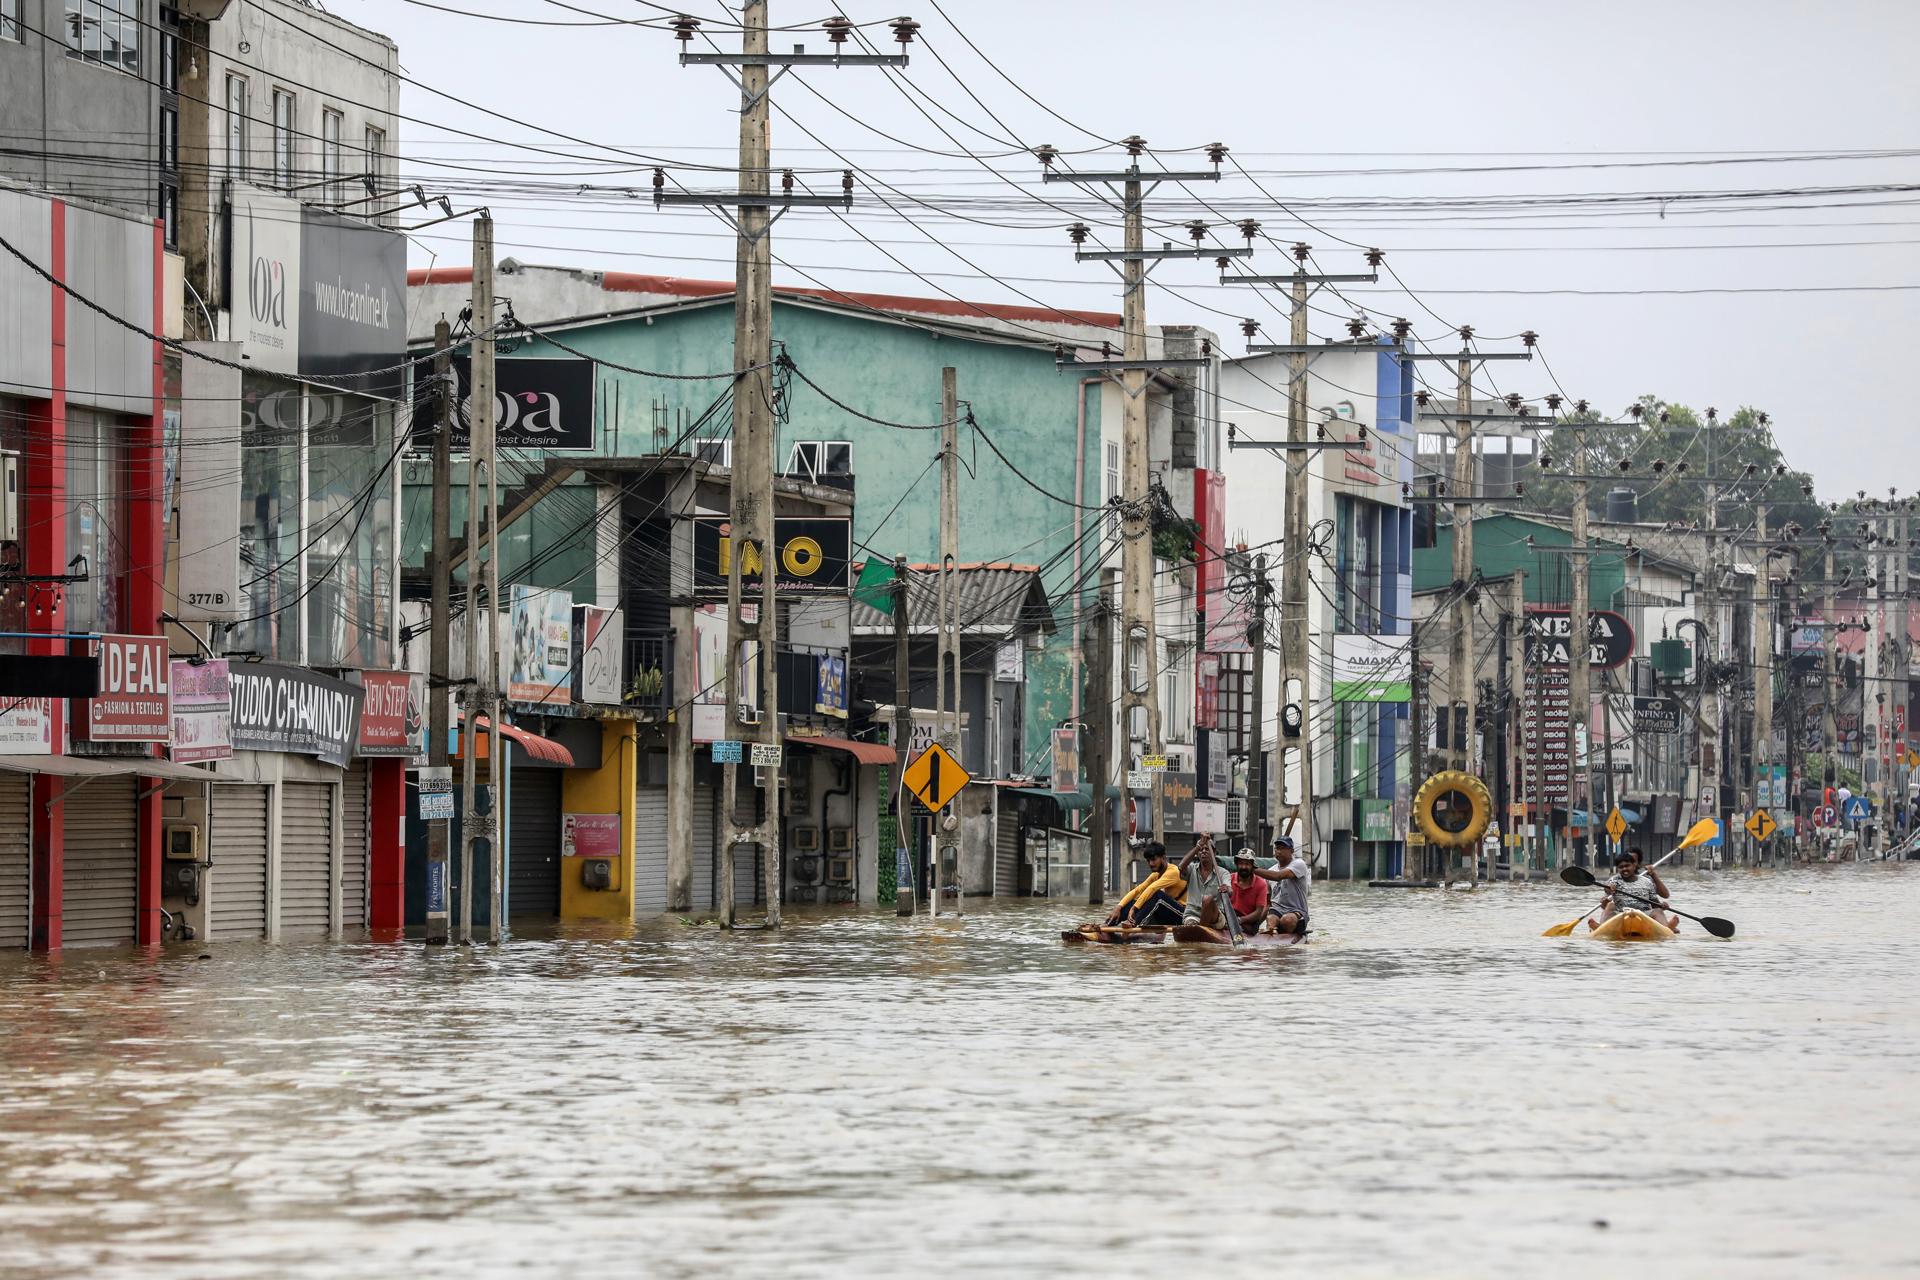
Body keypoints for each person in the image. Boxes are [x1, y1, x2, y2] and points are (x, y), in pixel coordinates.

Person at [1590, 847, 1679, 931]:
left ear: (1635, 865)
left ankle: (1666, 928)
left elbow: (1655, 902)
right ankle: (1601, 928)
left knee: (1658, 911)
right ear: (1618, 868)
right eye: (1621, 867)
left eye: (1627, 865)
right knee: (1610, 905)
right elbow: (1608, 889)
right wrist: (1609, 891)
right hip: (1621, 914)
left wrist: (1662, 906)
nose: (1624, 869)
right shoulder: (1614, 880)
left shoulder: (1647, 881)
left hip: (1644, 915)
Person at [1104, 841, 1186, 928]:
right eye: (1148, 861)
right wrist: (1119, 907)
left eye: (1154, 860)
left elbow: (1152, 889)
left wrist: (1134, 908)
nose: (1151, 864)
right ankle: (1108, 924)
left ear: (1163, 858)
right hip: (1168, 913)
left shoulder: (1173, 872)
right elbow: (1137, 890)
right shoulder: (1156, 875)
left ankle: (1133, 923)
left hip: (1183, 915)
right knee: (1137, 899)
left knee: (1157, 895)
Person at [1251, 834, 1311, 937]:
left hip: (1297, 911)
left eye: (1283, 848)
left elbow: (1278, 876)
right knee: (1270, 919)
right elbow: (1268, 904)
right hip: (1277, 910)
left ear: (1291, 851)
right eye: (1277, 848)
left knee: (1287, 920)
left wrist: (1252, 869)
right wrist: (1255, 926)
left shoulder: (1299, 864)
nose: (1279, 851)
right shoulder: (1270, 871)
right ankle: (1272, 933)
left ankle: (1288, 938)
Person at [1178, 835, 1234, 930]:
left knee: (1207, 899)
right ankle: (1200, 930)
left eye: (1207, 849)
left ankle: (1201, 930)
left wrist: (1226, 889)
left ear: (1214, 853)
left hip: (1215, 916)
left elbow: (1230, 891)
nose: (1203, 851)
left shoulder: (1223, 873)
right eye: (1201, 850)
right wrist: (1197, 846)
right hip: (1193, 914)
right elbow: (1181, 866)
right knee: (1190, 925)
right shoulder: (1191, 869)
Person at [1228, 848, 1269, 936]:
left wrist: (1240, 920)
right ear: (1237, 864)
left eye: (1247, 864)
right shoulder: (1228, 879)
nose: (1243, 867)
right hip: (1229, 917)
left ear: (1252, 866)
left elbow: (1258, 913)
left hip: (1249, 922)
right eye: (1241, 864)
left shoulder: (1261, 883)